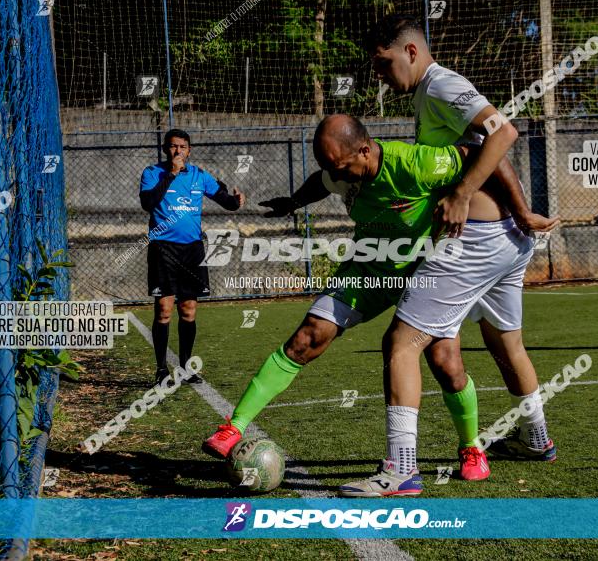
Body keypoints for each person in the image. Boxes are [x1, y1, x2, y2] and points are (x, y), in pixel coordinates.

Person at [201, 115, 506, 466]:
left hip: (425, 272)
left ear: (365, 150)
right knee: (306, 338)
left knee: (445, 364)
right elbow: (322, 180)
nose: (339, 176)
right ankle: (233, 428)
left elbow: (480, 151)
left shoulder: (415, 163)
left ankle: (471, 447)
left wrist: (475, 199)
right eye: (332, 168)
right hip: (368, 268)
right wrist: (293, 202)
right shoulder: (340, 169)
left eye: (342, 167)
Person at [339, 15, 558, 496]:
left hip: (474, 242)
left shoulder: (440, 85)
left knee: (400, 344)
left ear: (411, 52)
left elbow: (504, 133)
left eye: (383, 63)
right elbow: (487, 151)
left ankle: (400, 470)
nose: (380, 75)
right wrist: (520, 212)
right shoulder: (430, 95)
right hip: (505, 241)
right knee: (506, 345)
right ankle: (536, 439)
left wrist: (460, 194)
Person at [139, 129, 245, 385]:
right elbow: (148, 203)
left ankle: (186, 367)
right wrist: (172, 175)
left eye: (183, 147)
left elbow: (225, 201)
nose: (178, 151)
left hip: (192, 250)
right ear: (166, 149)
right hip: (163, 248)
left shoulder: (199, 176)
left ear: (189, 150)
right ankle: (161, 369)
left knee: (188, 309)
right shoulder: (152, 173)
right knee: (164, 309)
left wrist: (236, 201)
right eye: (173, 147)